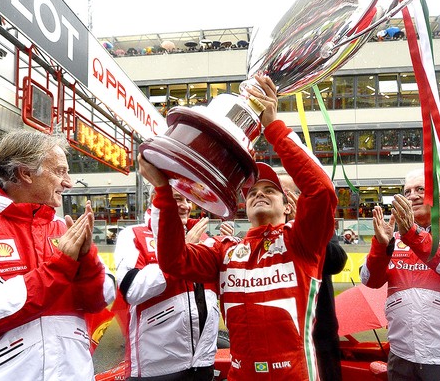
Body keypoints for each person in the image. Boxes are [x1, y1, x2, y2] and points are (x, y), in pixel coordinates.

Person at [138, 73, 338, 380]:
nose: (259, 194)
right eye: (253, 192)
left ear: (288, 206)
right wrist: (165, 192)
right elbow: (172, 261)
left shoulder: (302, 242)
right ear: (242, 207)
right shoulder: (224, 251)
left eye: (270, 191)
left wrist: (273, 127)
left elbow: (322, 191)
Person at [0, 130, 116, 380]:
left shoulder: (64, 228)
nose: (68, 182)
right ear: (25, 173)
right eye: (59, 171)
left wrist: (88, 261)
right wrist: (61, 266)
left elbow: (101, 300)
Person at [360, 168, 440, 381]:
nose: (413, 195)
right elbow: (369, 280)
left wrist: (414, 235)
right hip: (402, 357)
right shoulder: (394, 237)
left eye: (420, 189)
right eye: (407, 191)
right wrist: (381, 247)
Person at [114, 186, 232, 380]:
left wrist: (231, 246)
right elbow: (131, 290)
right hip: (158, 367)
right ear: (156, 199)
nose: (185, 206)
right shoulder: (133, 234)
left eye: (188, 200)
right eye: (178, 199)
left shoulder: (203, 239)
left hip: (203, 362)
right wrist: (180, 252)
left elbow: (223, 286)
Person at [279, 174, 347, 381]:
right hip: (281, 340)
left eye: (286, 193)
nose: (282, 199)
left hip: (319, 337)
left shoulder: (321, 225)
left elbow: (338, 262)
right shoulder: (263, 231)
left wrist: (307, 228)